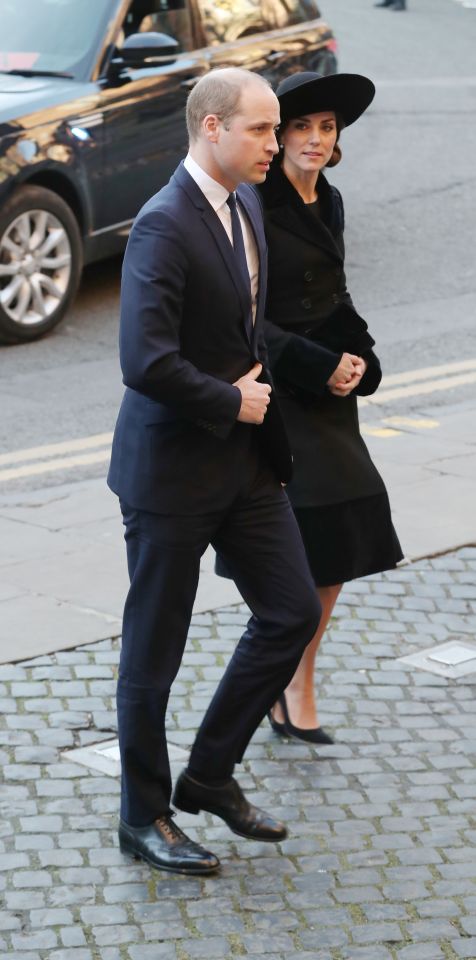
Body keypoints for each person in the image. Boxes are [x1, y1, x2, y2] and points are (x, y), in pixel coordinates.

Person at [107, 67, 321, 877]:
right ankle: (144, 815)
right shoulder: (165, 224)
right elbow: (144, 360)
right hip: (170, 475)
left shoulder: (247, 204)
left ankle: (207, 773)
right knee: (152, 654)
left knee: (291, 609)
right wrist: (229, 403)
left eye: (275, 130)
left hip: (244, 468)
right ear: (212, 129)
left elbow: (251, 323)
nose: (277, 143)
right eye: (263, 130)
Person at [217, 70, 403, 744]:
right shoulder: (255, 206)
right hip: (280, 393)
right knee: (299, 550)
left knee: (346, 533)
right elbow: (245, 321)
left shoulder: (329, 200)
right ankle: (279, 675)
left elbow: (336, 296)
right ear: (278, 134)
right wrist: (319, 366)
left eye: (326, 128)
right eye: (301, 127)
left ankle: (297, 676)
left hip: (329, 398)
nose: (315, 139)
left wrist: (359, 358)